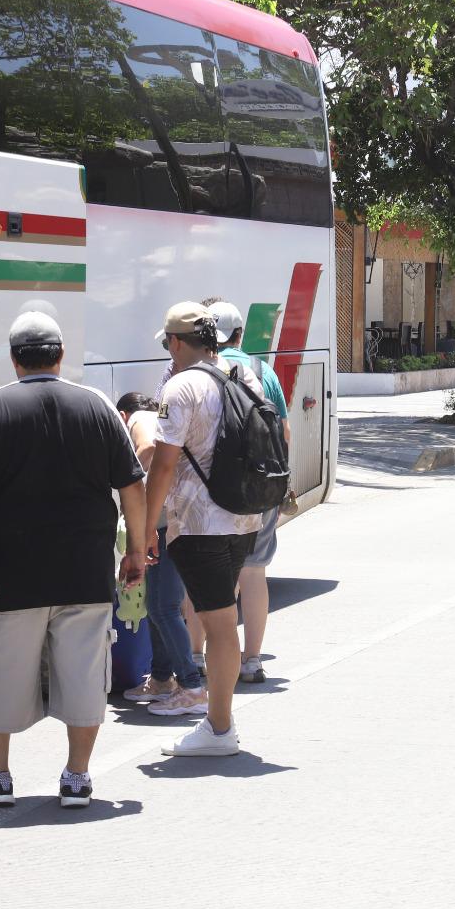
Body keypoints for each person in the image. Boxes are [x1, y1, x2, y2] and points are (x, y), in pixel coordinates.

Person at [0, 312, 148, 808]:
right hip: (84, 572)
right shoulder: (97, 406)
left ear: (15, 359)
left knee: (0, 677)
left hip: (6, 577)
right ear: (60, 357)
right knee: (83, 675)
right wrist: (137, 549)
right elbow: (132, 484)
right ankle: (77, 779)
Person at [143, 302, 266, 756]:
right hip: (245, 516)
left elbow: (163, 465)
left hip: (199, 524)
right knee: (221, 622)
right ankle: (220, 724)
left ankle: (219, 729)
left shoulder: (181, 386)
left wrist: (144, 531)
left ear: (175, 342)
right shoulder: (243, 376)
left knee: (217, 625)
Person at [204, 299, 290, 685]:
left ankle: (203, 658)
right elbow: (282, 433)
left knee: (212, 572)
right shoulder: (263, 371)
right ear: (241, 334)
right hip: (259, 485)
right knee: (255, 571)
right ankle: (251, 660)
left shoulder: (201, 371)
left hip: (216, 489)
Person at [117, 392, 206, 710]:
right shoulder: (159, 419)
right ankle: (161, 679)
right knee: (157, 606)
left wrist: (137, 496)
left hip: (167, 525)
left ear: (124, 414)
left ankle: (192, 686)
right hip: (175, 521)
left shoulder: (139, 419)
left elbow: (148, 450)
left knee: (164, 607)